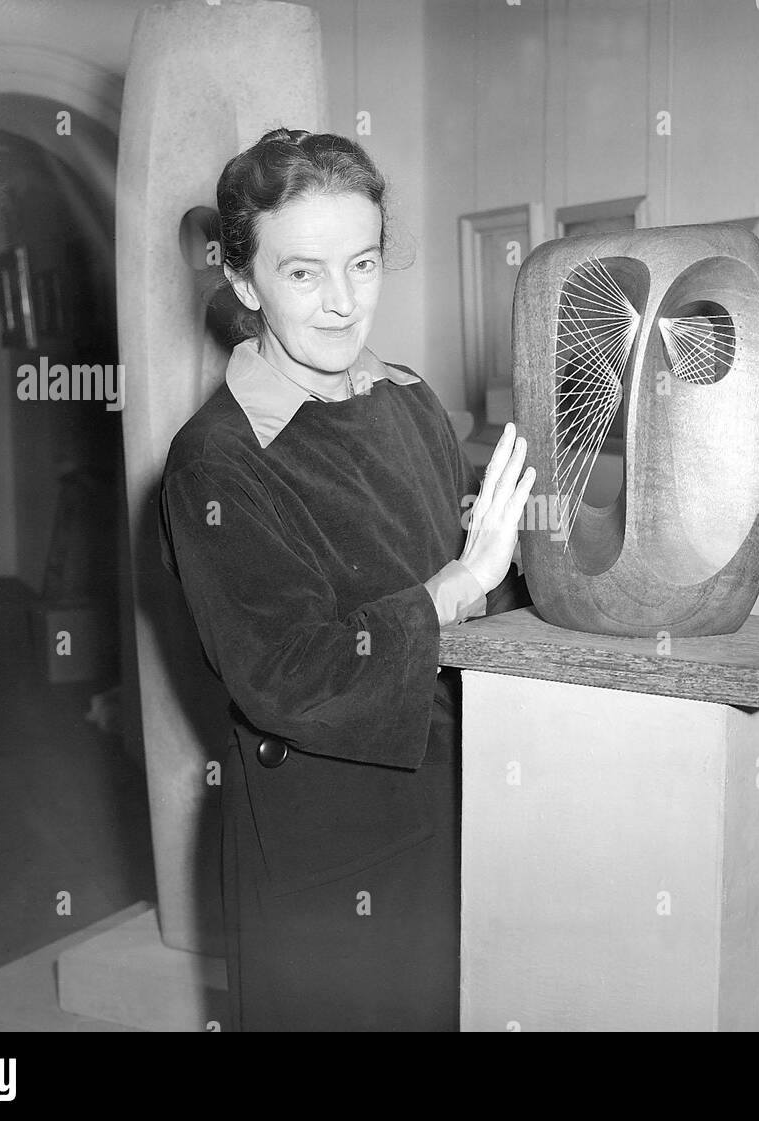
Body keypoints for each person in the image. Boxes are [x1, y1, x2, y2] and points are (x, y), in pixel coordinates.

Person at [158, 128, 536, 1030]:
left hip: (455, 814)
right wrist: (454, 586)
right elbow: (286, 672)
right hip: (329, 857)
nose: (341, 302)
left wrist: (538, 568)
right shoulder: (215, 460)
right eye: (303, 273)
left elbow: (487, 601)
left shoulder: (408, 401)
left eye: (362, 264)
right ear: (244, 282)